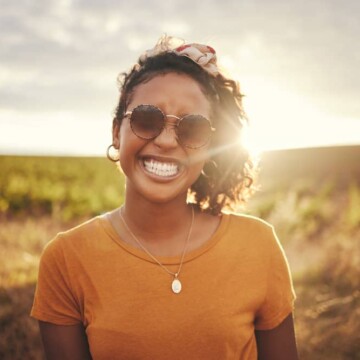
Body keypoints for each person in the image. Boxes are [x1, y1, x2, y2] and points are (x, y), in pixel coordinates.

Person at [31, 36, 298, 359]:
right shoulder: (66, 259)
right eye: (147, 119)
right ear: (117, 131)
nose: (168, 141)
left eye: (193, 128)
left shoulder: (258, 245)